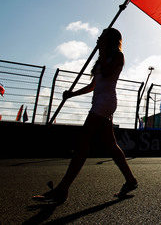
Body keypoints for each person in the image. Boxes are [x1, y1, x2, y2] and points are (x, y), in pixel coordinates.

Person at [33, 28, 137, 203]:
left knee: (83, 143)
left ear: (109, 39)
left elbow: (106, 72)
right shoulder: (101, 58)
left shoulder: (118, 56)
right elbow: (93, 86)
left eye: (102, 35)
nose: (98, 37)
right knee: (111, 145)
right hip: (100, 101)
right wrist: (72, 94)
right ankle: (131, 180)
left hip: (105, 102)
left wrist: (101, 49)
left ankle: (62, 189)